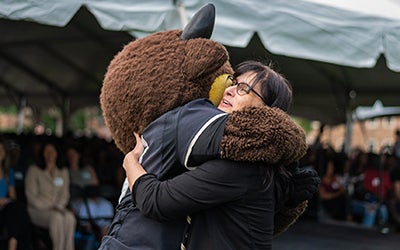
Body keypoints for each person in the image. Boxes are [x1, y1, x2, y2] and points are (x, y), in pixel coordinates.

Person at [122, 61, 319, 249]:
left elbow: (156, 201)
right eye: (233, 82)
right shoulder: (250, 162)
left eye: (244, 89)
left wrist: (131, 160)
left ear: (268, 111)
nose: (229, 90)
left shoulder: (243, 167)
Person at [25, 140, 76, 250]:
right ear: (42, 153)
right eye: (46, 151)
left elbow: (65, 194)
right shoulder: (34, 170)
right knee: (57, 218)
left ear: (57, 153)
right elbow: (31, 197)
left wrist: (58, 206)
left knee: (70, 218)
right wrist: (49, 206)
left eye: (52, 151)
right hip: (38, 210)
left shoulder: (63, 172)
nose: (49, 154)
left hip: (58, 208)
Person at [66, 146, 114, 240]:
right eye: (69, 155)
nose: (72, 157)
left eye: (73, 154)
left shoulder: (88, 169)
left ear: (78, 155)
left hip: (94, 198)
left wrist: (93, 195)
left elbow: (95, 185)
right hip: (78, 200)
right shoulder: (67, 172)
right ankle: (90, 237)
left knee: (106, 205)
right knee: (89, 207)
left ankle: (104, 241)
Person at [0, 140, 33, 250]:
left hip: (5, 209)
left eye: (1, 150)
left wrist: (6, 201)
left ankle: (12, 243)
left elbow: (13, 197)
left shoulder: (8, 172)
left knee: (17, 209)